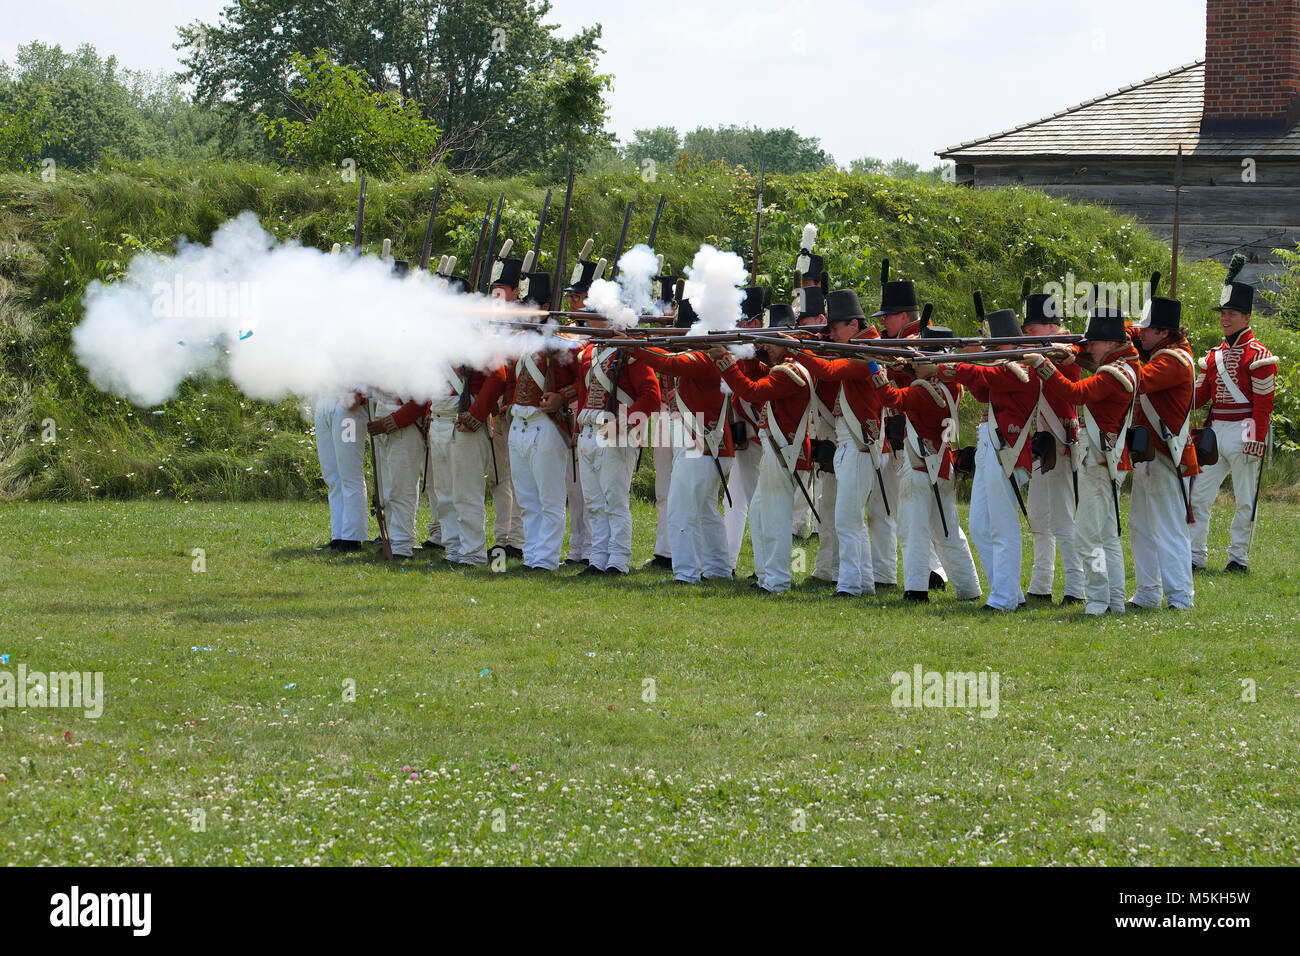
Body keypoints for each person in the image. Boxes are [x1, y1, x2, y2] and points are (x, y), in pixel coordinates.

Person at [1028, 304, 1141, 616]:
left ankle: (1096, 602)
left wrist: (1043, 365)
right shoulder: (1123, 367)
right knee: (1106, 538)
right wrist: (1070, 354)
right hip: (1104, 460)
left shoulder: (1113, 374)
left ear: (1110, 343)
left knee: (1087, 537)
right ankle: (1113, 602)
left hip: (1100, 462)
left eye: (1093, 342)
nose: (1088, 346)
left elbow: (1074, 392)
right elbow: (1085, 362)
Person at [937, 307, 1041, 611]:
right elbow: (983, 390)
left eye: (995, 347)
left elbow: (989, 375)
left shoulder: (1024, 366)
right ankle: (1008, 592)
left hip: (1005, 448)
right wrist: (971, 358)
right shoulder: (1003, 365)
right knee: (981, 526)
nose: (990, 352)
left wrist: (958, 364)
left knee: (1002, 527)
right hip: (989, 447)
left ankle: (1004, 598)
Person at [871, 326, 982, 603]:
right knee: (948, 532)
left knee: (913, 530)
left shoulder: (923, 391)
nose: (913, 361)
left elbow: (890, 398)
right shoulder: (951, 387)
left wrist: (873, 367)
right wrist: (908, 368)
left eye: (918, 357)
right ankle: (969, 589)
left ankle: (916, 589)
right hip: (941, 465)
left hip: (918, 466)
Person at [627, 305, 737, 584]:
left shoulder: (703, 358)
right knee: (706, 511)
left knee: (680, 511)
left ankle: (687, 573)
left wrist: (635, 347)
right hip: (710, 446)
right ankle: (718, 569)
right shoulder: (711, 357)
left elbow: (669, 364)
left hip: (699, 447)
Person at [464, 315, 579, 572]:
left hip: (545, 424)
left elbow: (583, 378)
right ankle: (533, 555)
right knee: (527, 499)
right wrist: (509, 401)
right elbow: (512, 380)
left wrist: (562, 397)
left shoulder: (563, 342)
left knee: (550, 499)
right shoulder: (519, 342)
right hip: (519, 424)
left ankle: (546, 559)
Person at [789, 289, 881, 598]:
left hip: (857, 444)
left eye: (836, 328)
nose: (831, 334)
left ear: (853, 326)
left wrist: (798, 350)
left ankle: (850, 585)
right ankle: (863, 582)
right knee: (850, 520)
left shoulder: (866, 351)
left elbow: (828, 372)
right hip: (850, 444)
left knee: (847, 520)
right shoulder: (862, 346)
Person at [710, 332, 813, 593]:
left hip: (784, 451)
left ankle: (777, 581)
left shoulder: (789, 372)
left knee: (775, 520)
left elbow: (751, 391)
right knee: (759, 515)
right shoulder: (782, 367)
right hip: (775, 450)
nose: (766, 346)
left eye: (771, 342)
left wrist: (725, 361)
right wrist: (752, 353)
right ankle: (765, 575)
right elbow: (756, 374)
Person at [1189, 277, 1277, 572]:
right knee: (1199, 495)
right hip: (1215, 431)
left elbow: (1264, 404)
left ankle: (1238, 558)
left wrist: (1256, 437)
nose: (1225, 319)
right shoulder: (1213, 356)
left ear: (1246, 317)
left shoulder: (1260, 356)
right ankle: (1195, 555)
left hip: (1244, 431)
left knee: (1244, 500)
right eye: (1223, 313)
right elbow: (1199, 397)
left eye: (1231, 314)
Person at [573, 314, 661, 575]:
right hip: (589, 432)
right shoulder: (589, 352)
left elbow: (651, 397)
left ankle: (618, 561)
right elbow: (583, 396)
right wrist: (578, 433)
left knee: (615, 502)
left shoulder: (631, 353)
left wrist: (622, 425)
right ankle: (597, 559)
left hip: (615, 435)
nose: (587, 320)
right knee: (594, 503)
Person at [1128, 292, 1199, 609]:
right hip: (1148, 455)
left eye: (1148, 329)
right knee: (1140, 526)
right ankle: (1147, 592)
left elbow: (1136, 381)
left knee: (1169, 529)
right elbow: (1133, 334)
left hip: (1167, 455)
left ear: (1164, 333)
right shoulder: (1162, 350)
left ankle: (1181, 597)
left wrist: (1118, 349)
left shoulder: (1173, 360)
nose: (1141, 334)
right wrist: (1115, 329)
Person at [1022, 292, 1085, 605]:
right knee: (1038, 516)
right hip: (1039, 442)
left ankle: (1076, 587)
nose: (1028, 331)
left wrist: (1057, 350)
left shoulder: (1066, 349)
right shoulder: (1036, 349)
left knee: (1062, 518)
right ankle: (1040, 584)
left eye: (1032, 326)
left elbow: (1072, 360)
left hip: (1059, 440)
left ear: (1050, 326)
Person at [722, 287, 773, 572]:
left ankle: (764, 567)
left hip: (759, 435)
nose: (736, 325)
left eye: (741, 320)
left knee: (758, 501)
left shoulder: (762, 351)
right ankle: (727, 561)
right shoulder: (744, 346)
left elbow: (752, 386)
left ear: (755, 323)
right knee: (735, 500)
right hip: (743, 434)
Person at [796, 287, 839, 585]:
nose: (800, 329)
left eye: (805, 321)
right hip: (826, 429)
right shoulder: (821, 344)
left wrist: (801, 349)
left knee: (841, 509)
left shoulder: (833, 347)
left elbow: (828, 373)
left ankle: (840, 571)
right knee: (829, 504)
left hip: (847, 432)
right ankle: (827, 568)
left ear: (821, 319)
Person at [314, 387, 368, 551]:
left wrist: (358, 396)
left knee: (350, 474)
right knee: (332, 476)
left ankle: (353, 536)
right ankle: (338, 535)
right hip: (324, 401)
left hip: (347, 406)